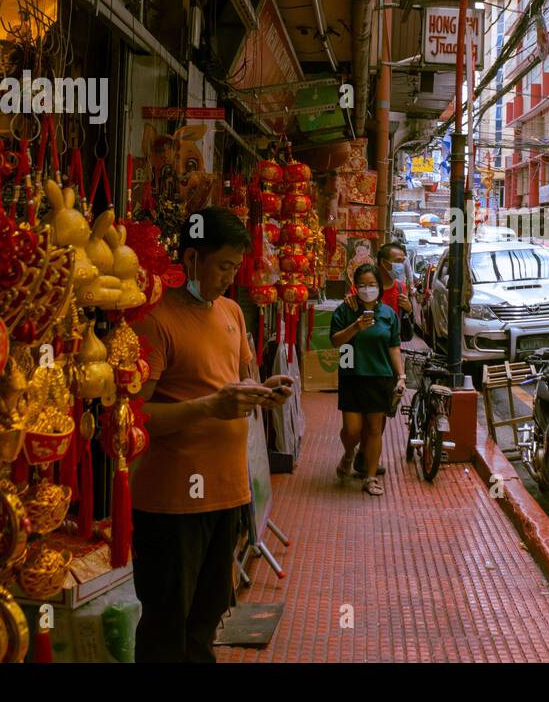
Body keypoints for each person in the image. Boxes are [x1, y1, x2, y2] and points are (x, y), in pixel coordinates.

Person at [132, 207, 295, 662]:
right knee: (166, 624)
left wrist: (265, 392)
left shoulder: (231, 313)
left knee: (208, 618)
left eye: (234, 267)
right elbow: (136, 415)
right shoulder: (156, 319)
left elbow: (235, 382)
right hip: (171, 502)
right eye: (223, 266)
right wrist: (211, 407)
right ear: (191, 259)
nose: (229, 277)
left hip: (227, 492)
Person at [330, 264, 406, 496]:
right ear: (355, 287)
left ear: (379, 288)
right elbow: (335, 342)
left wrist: (401, 377)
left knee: (374, 429)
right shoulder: (345, 310)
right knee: (352, 430)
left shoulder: (388, 314)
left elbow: (394, 347)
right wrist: (356, 326)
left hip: (380, 376)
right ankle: (349, 453)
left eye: (372, 285)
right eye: (362, 285)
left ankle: (370, 477)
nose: (367, 289)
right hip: (352, 374)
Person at [353, 241, 412, 477]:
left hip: (388, 361)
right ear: (382, 262)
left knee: (381, 415)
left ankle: (367, 456)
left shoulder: (401, 287)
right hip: (364, 360)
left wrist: (408, 308)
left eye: (402, 261)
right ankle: (358, 452)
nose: (400, 266)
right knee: (360, 418)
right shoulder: (366, 287)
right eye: (396, 261)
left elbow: (407, 332)